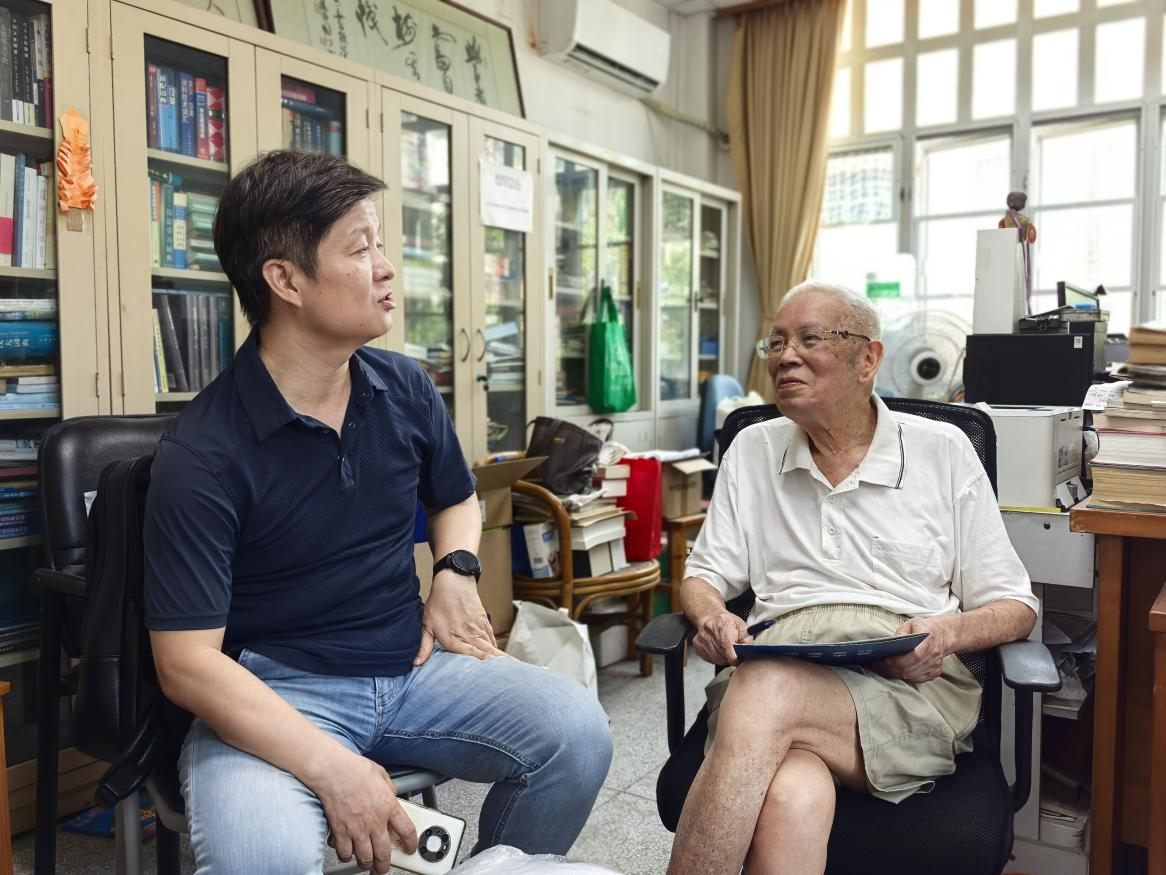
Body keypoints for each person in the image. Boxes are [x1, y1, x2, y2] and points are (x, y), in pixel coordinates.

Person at [144, 150, 612, 875]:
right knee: (261, 860)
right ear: (285, 280)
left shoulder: (404, 387)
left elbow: (455, 496)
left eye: (381, 245)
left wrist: (455, 570)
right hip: (277, 693)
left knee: (578, 734)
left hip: (413, 669)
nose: (387, 268)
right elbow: (186, 665)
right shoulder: (203, 453)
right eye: (361, 250)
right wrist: (333, 768)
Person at [668, 281, 1037, 875]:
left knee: (764, 689)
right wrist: (711, 615)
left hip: (905, 691)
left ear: (868, 359)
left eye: (809, 339)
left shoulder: (942, 451)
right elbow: (703, 575)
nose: (785, 356)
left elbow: (1016, 606)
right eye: (776, 342)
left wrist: (943, 635)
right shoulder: (752, 449)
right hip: (779, 665)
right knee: (791, 793)